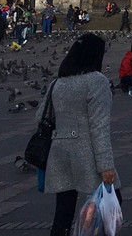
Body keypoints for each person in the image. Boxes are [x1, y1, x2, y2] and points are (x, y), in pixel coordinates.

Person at [38, 33, 118, 236]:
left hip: (59, 152)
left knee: (64, 209)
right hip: (86, 152)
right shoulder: (96, 81)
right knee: (110, 206)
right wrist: (106, 166)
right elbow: (99, 127)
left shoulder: (58, 83)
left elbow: (40, 117)